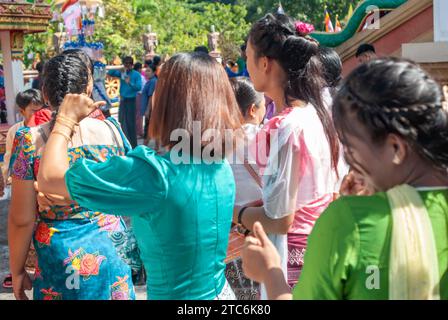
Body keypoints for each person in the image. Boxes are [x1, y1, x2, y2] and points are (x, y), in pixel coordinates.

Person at [36, 52, 243, 300]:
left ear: (170, 100)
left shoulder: (154, 174)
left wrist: (65, 119)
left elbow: (50, 178)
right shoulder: (219, 166)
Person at [242, 57, 448, 300]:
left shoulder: (347, 221)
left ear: (395, 148)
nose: (349, 161)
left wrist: (271, 274)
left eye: (350, 146)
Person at [8, 50, 136, 300]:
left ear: (44, 93)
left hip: (59, 255)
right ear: (88, 89)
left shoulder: (28, 140)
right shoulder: (113, 131)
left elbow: (21, 219)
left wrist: (17, 271)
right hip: (112, 249)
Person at [232, 13, 345, 295]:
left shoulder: (287, 127)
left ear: (265, 63)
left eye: (248, 55)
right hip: (324, 241)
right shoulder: (318, 115)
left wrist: (235, 212)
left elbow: (281, 219)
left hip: (293, 254)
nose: (246, 64)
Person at [1, 89, 51, 289]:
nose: (37, 114)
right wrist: (8, 177)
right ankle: (23, 270)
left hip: (44, 186)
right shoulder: (16, 131)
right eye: (33, 110)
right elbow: (9, 157)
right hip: (23, 184)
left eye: (41, 109)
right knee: (24, 224)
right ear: (22, 111)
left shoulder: (47, 128)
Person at [225, 77, 266, 300]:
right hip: (266, 236)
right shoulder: (269, 137)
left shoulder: (212, 145)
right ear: (252, 109)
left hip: (231, 244)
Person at [108, 56, 142, 148]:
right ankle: (124, 144)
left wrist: (129, 82)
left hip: (131, 101)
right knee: (122, 122)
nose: (127, 65)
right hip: (123, 100)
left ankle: (134, 145)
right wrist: (119, 67)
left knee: (131, 124)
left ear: (132, 65)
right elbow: (110, 73)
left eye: (129, 64)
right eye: (125, 63)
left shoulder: (136, 75)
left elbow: (138, 87)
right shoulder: (122, 73)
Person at [140, 61, 158, 144]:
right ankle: (157, 147)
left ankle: (144, 146)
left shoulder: (153, 82)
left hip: (151, 110)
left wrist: (148, 110)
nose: (146, 73)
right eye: (146, 71)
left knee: (148, 128)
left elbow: (151, 96)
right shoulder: (151, 81)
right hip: (152, 110)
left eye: (149, 71)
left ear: (154, 72)